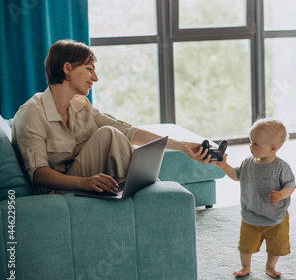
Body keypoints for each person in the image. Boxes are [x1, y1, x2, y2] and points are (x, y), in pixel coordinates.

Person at [12, 39, 209, 195]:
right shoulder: (32, 113)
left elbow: (127, 131)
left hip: (84, 178)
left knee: (117, 136)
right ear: (67, 69)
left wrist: (182, 146)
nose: (95, 78)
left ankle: (157, 197)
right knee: (108, 135)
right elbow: (38, 174)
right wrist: (84, 182)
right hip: (56, 192)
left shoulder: (80, 104)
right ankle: (159, 199)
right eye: (89, 69)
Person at [214, 118, 296, 278]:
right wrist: (224, 166)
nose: (250, 147)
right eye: (251, 142)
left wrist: (280, 195)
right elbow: (237, 175)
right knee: (245, 246)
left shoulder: (281, 167)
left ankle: (270, 267)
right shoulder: (248, 162)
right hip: (251, 215)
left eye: (256, 144)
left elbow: (290, 186)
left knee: (275, 247)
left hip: (275, 218)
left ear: (273, 148)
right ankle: (245, 266)